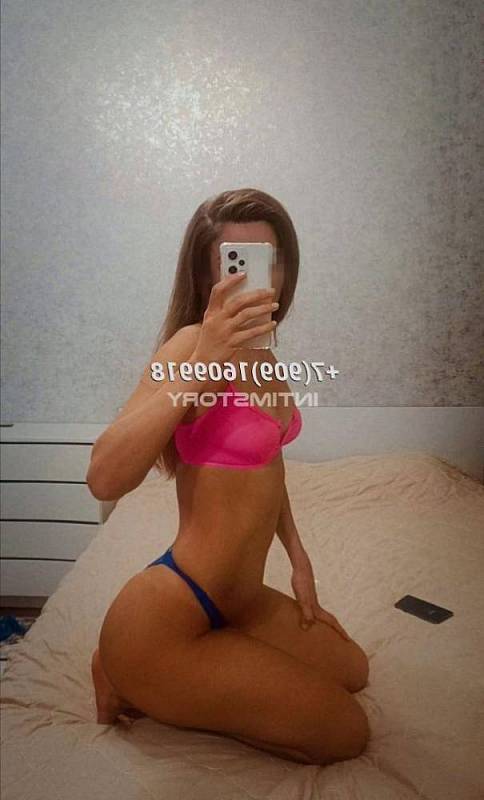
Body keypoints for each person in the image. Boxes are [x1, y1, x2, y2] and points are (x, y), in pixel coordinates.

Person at [87, 188, 370, 766]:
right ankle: (126, 669)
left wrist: (299, 561)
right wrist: (202, 362)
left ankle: (184, 675)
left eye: (270, 259)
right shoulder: (188, 347)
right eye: (236, 262)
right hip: (172, 612)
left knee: (354, 670)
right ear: (206, 274)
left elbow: (268, 466)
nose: (256, 278)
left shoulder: (266, 359)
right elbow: (104, 478)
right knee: (346, 732)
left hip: (242, 602)